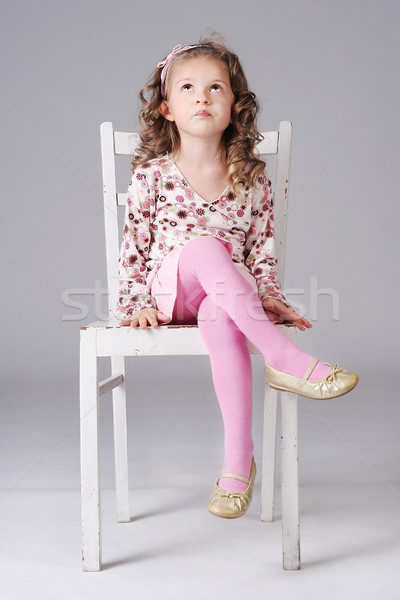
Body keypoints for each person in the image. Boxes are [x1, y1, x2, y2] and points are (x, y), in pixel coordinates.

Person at [115, 34, 359, 519]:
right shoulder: (151, 175)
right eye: (186, 88)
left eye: (215, 88)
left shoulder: (251, 177)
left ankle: (236, 465)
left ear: (234, 106)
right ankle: (285, 357)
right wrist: (132, 303)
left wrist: (265, 295)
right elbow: (134, 248)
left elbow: (261, 252)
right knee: (205, 247)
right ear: (166, 108)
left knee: (222, 313)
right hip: (171, 291)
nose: (201, 97)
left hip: (228, 296)